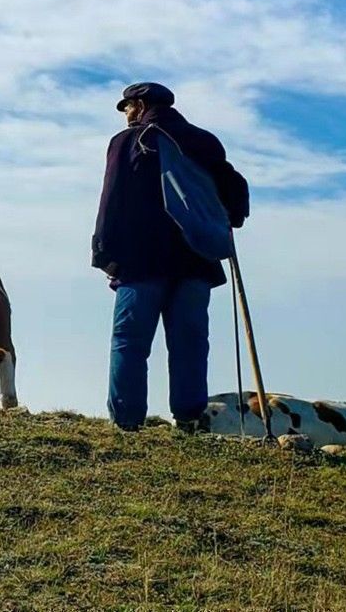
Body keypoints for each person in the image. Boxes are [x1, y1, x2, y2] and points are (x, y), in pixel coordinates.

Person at [92, 82, 250, 432]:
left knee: (130, 342)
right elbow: (233, 190)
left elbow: (111, 199)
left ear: (140, 104)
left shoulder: (128, 142)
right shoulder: (204, 141)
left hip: (141, 263)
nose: (126, 114)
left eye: (127, 107)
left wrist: (103, 253)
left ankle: (127, 421)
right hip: (197, 261)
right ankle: (189, 418)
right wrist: (227, 225)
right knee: (190, 343)